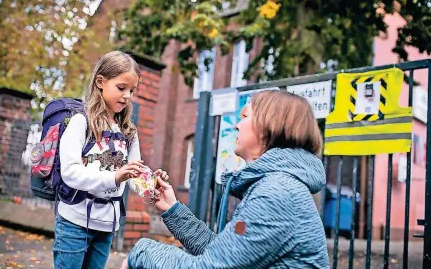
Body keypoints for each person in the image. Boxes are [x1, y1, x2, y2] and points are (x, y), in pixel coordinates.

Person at [122, 90, 329, 268]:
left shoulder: (276, 194)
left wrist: (140, 252)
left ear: (268, 128)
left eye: (245, 117)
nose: (237, 125)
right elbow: (223, 253)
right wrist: (173, 209)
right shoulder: (277, 186)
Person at [54, 51, 167, 269]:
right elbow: (70, 172)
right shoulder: (81, 122)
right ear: (100, 82)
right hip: (74, 222)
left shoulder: (128, 131)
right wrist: (115, 176)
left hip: (107, 225)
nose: (127, 96)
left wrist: (152, 184)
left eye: (132, 91)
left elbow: (134, 175)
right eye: (121, 88)